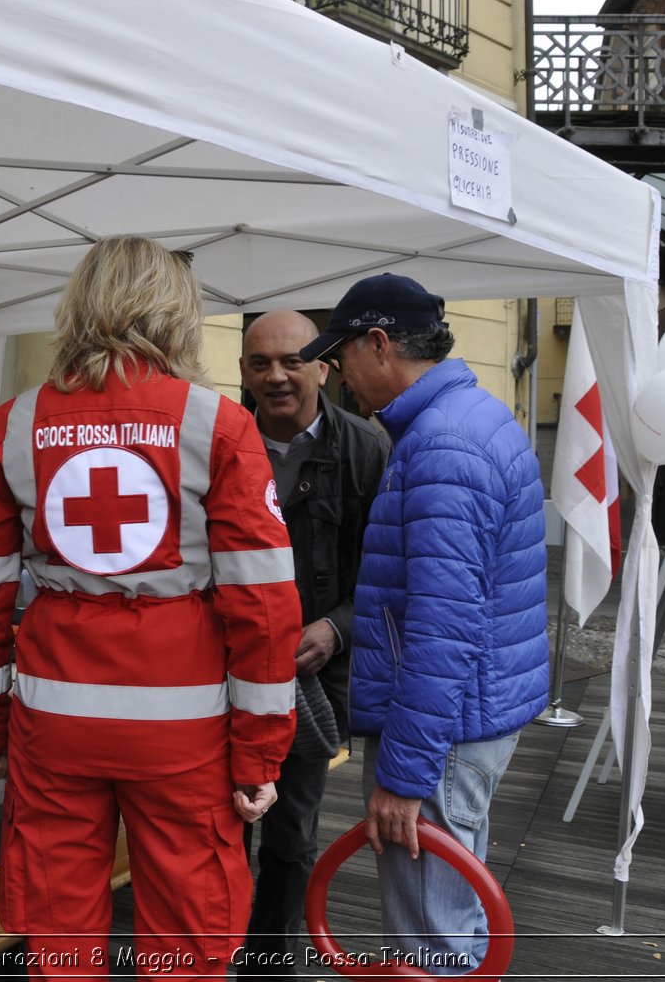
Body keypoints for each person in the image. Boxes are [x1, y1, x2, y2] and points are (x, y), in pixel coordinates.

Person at [0, 236, 301, 978]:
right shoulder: (218, 426)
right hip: (183, 729)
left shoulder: (12, 426)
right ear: (180, 314)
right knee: (187, 931)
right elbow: (263, 606)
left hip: (54, 723)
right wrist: (259, 750)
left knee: (60, 929)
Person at [299, 272, 549, 975]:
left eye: (340, 352)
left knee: (430, 941)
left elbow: (443, 626)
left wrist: (406, 775)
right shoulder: (465, 420)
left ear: (378, 344)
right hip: (466, 717)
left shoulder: (443, 444)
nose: (336, 372)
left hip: (444, 729)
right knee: (451, 919)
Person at [236, 311, 388, 979]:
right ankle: (214, 956)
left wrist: (335, 629)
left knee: (292, 830)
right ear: (242, 369)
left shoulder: (366, 451)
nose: (275, 375)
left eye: (292, 360)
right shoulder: (220, 441)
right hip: (222, 677)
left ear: (323, 365)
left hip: (310, 683)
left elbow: (391, 575)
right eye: (259, 362)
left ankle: (269, 966)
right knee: (218, 827)